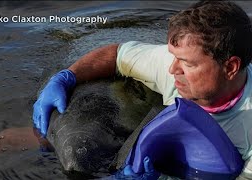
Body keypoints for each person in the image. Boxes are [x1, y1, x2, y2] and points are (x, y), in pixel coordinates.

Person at [33, 1, 252, 179]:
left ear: (230, 67)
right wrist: (66, 77)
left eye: (188, 64)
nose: (172, 68)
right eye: (173, 57)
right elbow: (117, 55)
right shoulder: (172, 63)